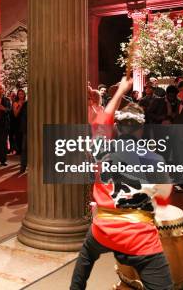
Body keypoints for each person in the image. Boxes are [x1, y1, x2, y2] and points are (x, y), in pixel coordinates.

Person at [70, 77, 173, 290]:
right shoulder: (154, 160)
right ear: (141, 129)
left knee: (85, 258)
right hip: (139, 239)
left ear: (117, 126)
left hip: (103, 230)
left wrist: (119, 92)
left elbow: (101, 122)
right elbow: (164, 199)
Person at [13, 89, 28, 173]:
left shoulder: (27, 102)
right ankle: (23, 167)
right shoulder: (17, 103)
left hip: (28, 126)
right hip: (21, 127)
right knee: (24, 148)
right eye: (19, 94)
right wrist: (20, 105)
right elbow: (15, 114)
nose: (21, 95)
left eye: (22, 94)